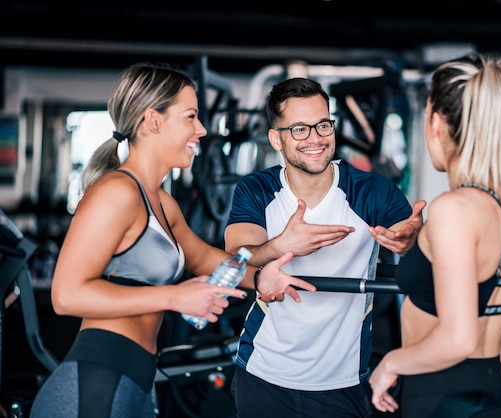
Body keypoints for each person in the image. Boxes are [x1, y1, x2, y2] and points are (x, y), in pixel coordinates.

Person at [29, 63, 308, 418]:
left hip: (136, 379)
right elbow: (66, 296)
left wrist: (264, 274)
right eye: (191, 116)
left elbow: (207, 259)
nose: (202, 130)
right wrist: (176, 296)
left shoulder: (161, 201)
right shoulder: (116, 192)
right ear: (153, 120)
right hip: (96, 381)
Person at [224, 76, 425, 418]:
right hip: (263, 373)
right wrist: (281, 245)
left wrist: (412, 242)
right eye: (299, 129)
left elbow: (421, 253)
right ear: (277, 138)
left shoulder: (373, 191)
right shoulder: (256, 189)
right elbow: (236, 260)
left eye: (322, 125)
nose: (315, 138)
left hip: (342, 382)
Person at [368, 53, 501, 417]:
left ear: (436, 123)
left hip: (441, 399)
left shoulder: (452, 209)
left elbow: (459, 338)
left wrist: (391, 364)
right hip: (497, 396)